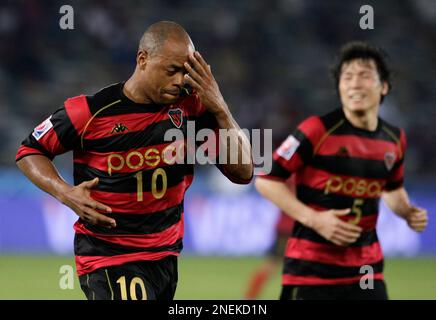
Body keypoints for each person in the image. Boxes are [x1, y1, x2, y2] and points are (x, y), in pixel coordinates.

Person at [16, 21, 253, 300]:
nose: (179, 81)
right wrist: (65, 192)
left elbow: (243, 173)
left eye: (185, 73)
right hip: (109, 255)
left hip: (164, 256)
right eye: (172, 70)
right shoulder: (90, 112)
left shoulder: (193, 108)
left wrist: (221, 109)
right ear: (143, 59)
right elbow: (30, 150)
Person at [255, 41, 428, 300]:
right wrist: (315, 219)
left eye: (365, 75)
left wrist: (406, 211)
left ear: (384, 87)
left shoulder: (394, 139)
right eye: (347, 77)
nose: (355, 83)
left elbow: (391, 189)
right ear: (339, 87)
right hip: (310, 273)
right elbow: (266, 180)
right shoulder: (316, 130)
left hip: (367, 272)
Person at [244, 179, 295, 300]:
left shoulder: (289, 169)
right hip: (294, 224)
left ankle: (248, 297)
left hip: (286, 224)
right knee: (297, 267)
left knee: (272, 264)